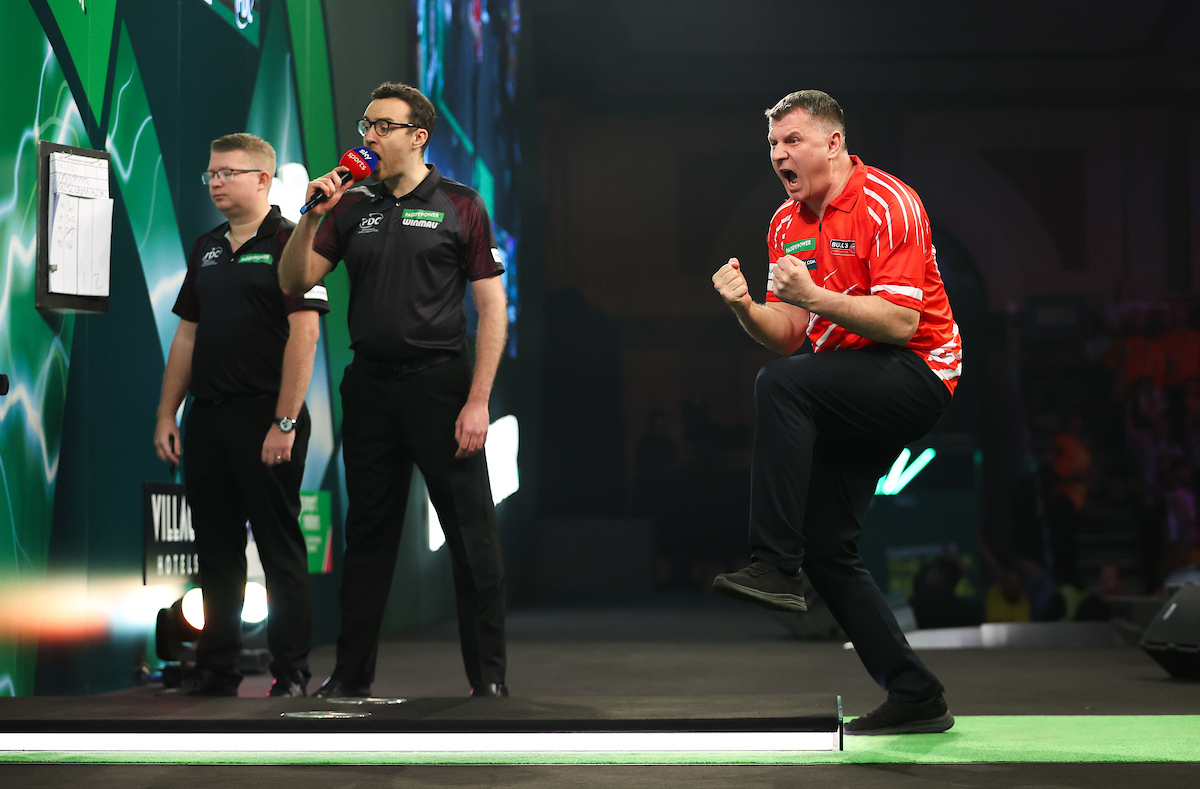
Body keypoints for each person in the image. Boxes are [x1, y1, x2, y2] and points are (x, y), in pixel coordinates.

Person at [710, 90, 962, 735]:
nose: (779, 155)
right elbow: (789, 333)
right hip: (849, 382)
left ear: (834, 143)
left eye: (792, 141)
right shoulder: (785, 223)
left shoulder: (889, 203)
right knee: (828, 546)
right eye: (773, 144)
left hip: (918, 371)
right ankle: (916, 694)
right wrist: (745, 308)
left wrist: (816, 295)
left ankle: (773, 562)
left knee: (782, 387)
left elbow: (901, 323)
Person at [278, 82, 509, 698]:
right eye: (366, 125)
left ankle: (488, 681)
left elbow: (492, 309)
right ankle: (351, 676)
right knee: (368, 538)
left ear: (418, 136)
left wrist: (478, 401)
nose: (369, 136)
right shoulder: (351, 205)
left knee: (471, 538)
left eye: (383, 126)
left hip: (441, 388)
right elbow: (294, 281)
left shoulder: (461, 204)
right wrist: (312, 214)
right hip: (371, 389)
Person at [154, 133, 328, 697]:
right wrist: (168, 413)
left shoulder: (291, 241)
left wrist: (285, 421)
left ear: (262, 180)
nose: (216, 182)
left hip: (266, 419)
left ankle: (292, 672)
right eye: (211, 173)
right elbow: (187, 335)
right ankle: (216, 668)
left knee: (279, 550)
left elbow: (305, 336)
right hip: (208, 419)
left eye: (228, 172)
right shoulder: (206, 246)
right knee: (216, 551)